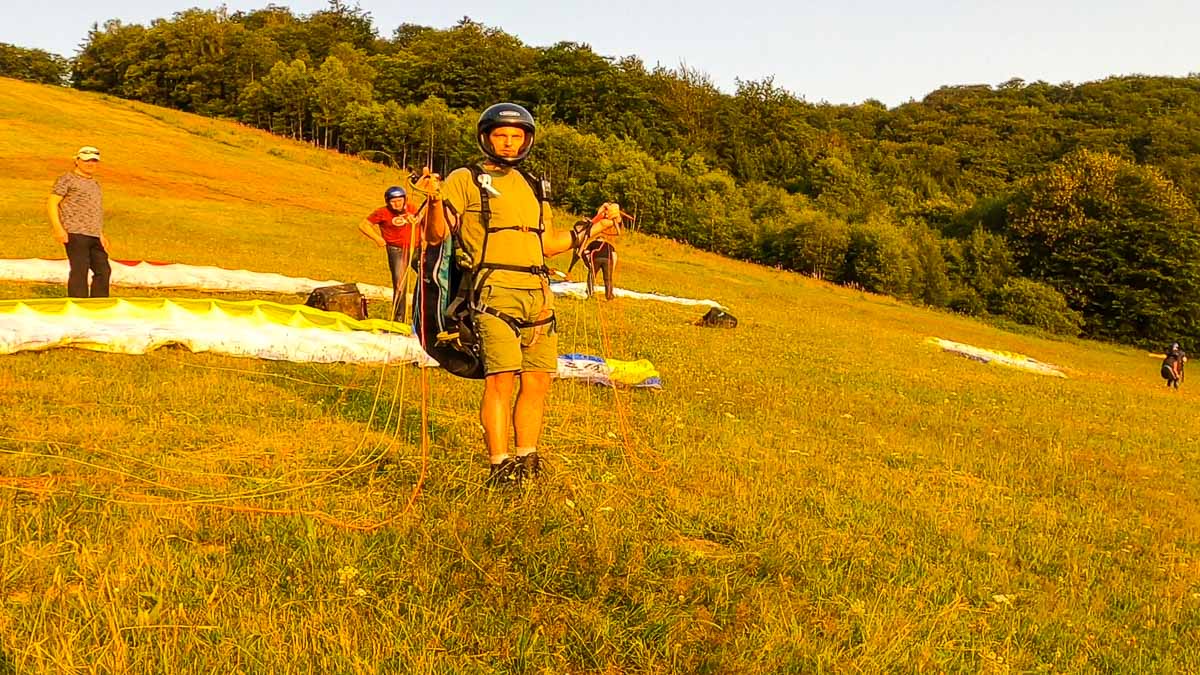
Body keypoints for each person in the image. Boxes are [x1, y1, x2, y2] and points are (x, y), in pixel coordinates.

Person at [418, 103, 616, 487]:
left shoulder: (532, 184)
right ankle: (500, 465)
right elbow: (436, 234)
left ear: (526, 141)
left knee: (538, 381)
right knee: (501, 380)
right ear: (486, 138)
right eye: (501, 136)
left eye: (516, 136)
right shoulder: (465, 179)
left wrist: (596, 226)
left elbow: (548, 244)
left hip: (539, 294)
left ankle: (528, 457)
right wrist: (435, 200)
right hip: (494, 291)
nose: (509, 143)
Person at [48, 146, 110, 298]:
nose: (90, 164)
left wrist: (100, 234)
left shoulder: (95, 184)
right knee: (80, 270)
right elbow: (52, 203)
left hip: (93, 234)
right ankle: (78, 304)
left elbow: (93, 209)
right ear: (77, 161)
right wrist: (59, 229)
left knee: (103, 270)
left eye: (94, 161)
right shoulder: (67, 179)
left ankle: (98, 304)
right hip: (75, 232)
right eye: (87, 160)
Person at [358, 186, 421, 322]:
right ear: (388, 202)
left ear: (405, 200)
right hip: (397, 251)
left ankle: (421, 317)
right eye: (393, 201)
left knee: (426, 279)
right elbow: (364, 225)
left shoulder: (412, 208)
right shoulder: (382, 212)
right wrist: (377, 239)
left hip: (416, 249)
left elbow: (424, 222)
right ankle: (399, 320)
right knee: (400, 284)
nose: (397, 204)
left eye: (400, 200)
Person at [581, 202, 622, 300]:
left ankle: (590, 293)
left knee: (591, 276)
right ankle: (609, 296)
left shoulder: (593, 243)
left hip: (596, 259)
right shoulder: (608, 245)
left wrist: (587, 263)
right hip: (607, 260)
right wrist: (612, 267)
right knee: (608, 279)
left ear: (597, 238)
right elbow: (614, 255)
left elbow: (585, 252)